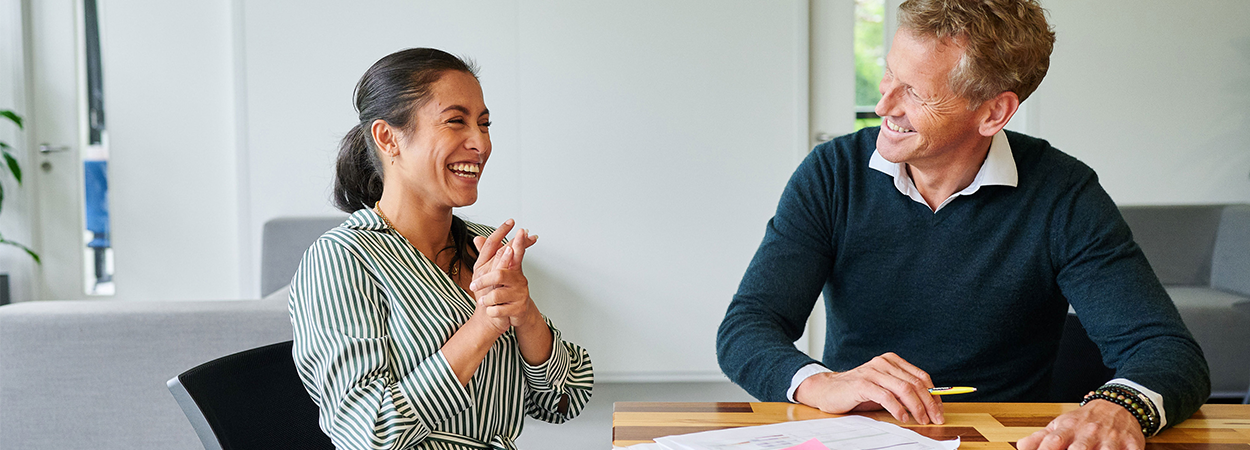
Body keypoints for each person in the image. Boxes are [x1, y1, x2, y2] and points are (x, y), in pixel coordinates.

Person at [715, 1, 1208, 449]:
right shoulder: (832, 173)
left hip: (1002, 441)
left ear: (994, 112)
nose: (884, 105)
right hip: (856, 437)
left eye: (915, 92)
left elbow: (1164, 350)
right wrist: (821, 383)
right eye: (889, 75)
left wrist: (1117, 408)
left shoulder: (1064, 193)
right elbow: (747, 327)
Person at [289, 48, 593, 450]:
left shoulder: (486, 247)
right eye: (456, 122)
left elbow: (564, 400)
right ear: (388, 137)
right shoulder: (341, 260)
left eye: (484, 125)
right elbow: (371, 434)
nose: (480, 144)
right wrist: (483, 325)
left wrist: (523, 311)